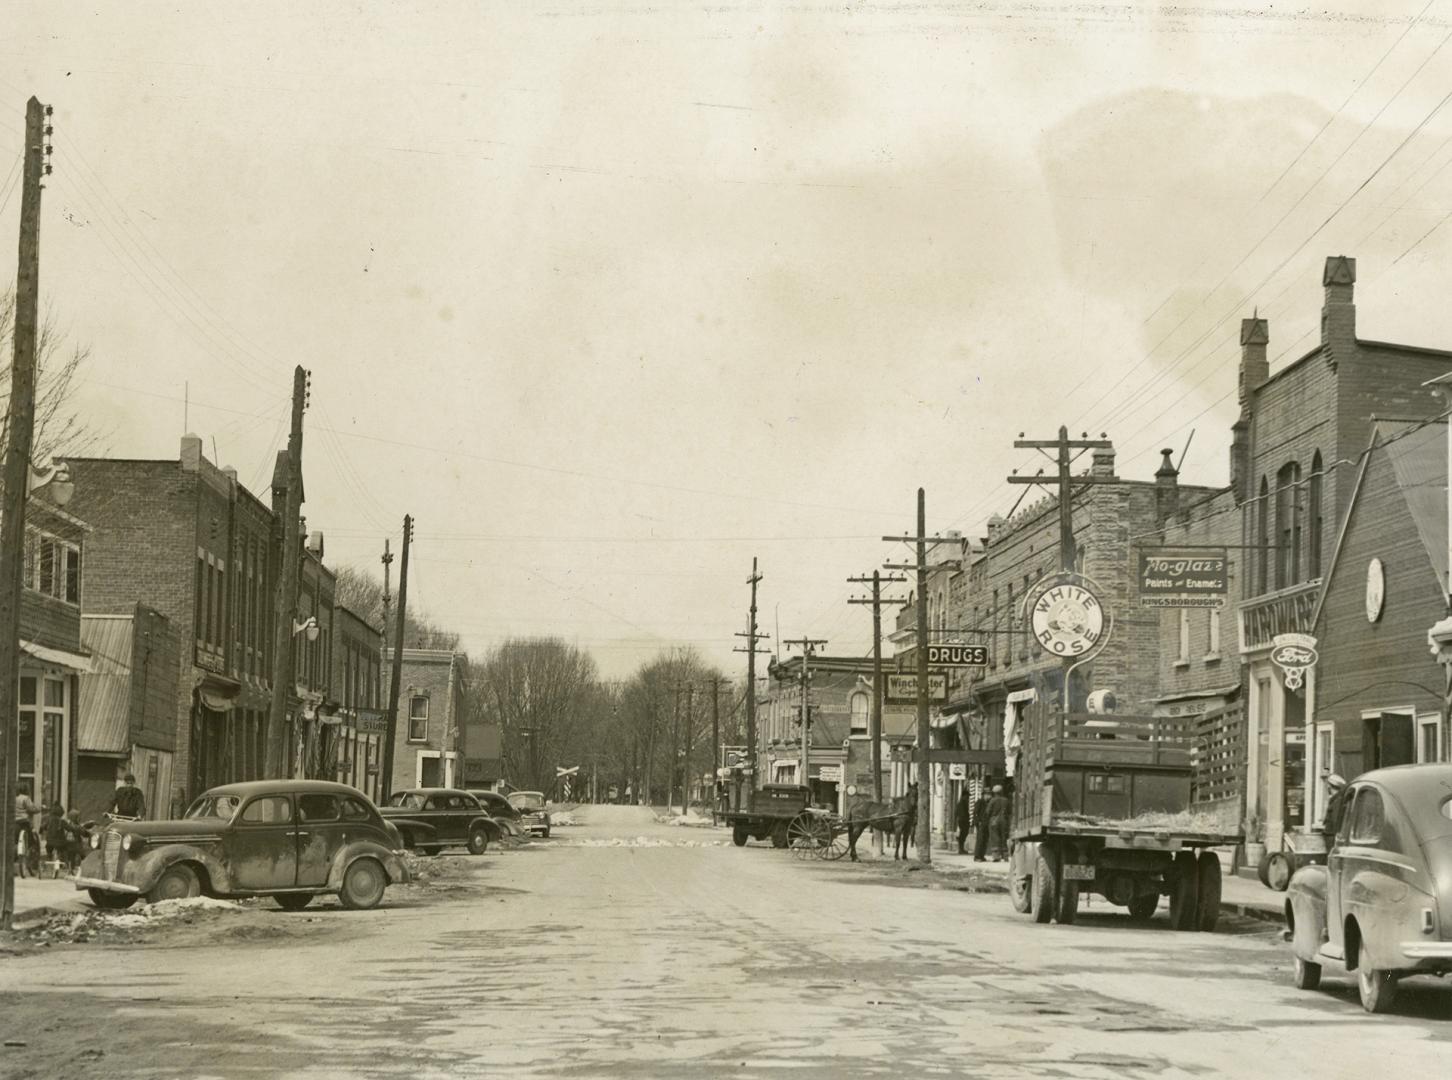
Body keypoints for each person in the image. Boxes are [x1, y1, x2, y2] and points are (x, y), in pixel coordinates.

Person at [14, 785, 43, 877]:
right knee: (32, 841)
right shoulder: (26, 798)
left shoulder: (15, 798)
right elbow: (31, 809)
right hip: (24, 822)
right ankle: (31, 855)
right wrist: (40, 808)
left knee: (15, 842)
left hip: (14, 823)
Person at [1321, 773, 1350, 847]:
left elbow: (1335, 822)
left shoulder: (1337, 802)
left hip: (1332, 838)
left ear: (1329, 787)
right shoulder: (1336, 800)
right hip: (1331, 837)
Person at [986, 784, 1011, 861]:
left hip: (994, 820)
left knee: (995, 837)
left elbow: (988, 811)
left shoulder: (992, 800)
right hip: (1004, 820)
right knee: (1004, 837)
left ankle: (996, 856)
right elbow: (1009, 811)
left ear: (994, 792)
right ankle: (1005, 855)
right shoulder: (1006, 800)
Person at [972, 789, 991, 862]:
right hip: (980, 823)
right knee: (980, 839)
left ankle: (982, 855)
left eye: (989, 794)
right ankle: (977, 856)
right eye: (987, 794)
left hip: (986, 823)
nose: (989, 796)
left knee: (985, 840)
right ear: (983, 795)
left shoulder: (989, 803)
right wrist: (978, 822)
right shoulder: (980, 802)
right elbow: (975, 813)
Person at [954, 786, 973, 855]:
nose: (968, 798)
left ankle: (961, 849)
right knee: (963, 834)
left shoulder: (962, 802)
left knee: (963, 834)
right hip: (963, 821)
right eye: (967, 796)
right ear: (964, 796)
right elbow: (961, 813)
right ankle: (961, 849)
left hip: (963, 820)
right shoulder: (962, 803)